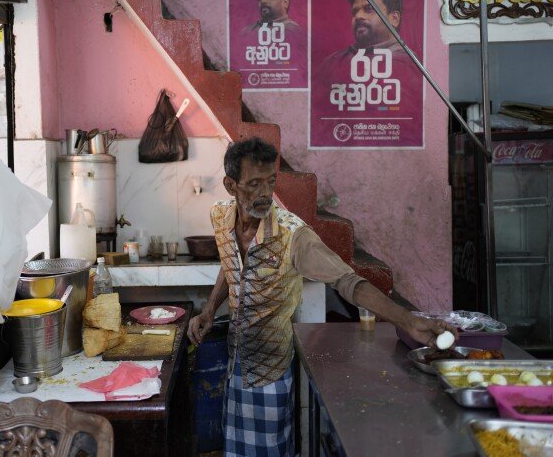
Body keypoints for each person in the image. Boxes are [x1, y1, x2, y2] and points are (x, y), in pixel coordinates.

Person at [187, 138, 455, 457]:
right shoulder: (220, 217)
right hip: (235, 364)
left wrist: (407, 320)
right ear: (230, 185)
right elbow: (230, 263)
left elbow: (348, 281)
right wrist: (208, 310)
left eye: (270, 182)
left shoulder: (292, 235)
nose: (263, 194)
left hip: (270, 372)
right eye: (253, 184)